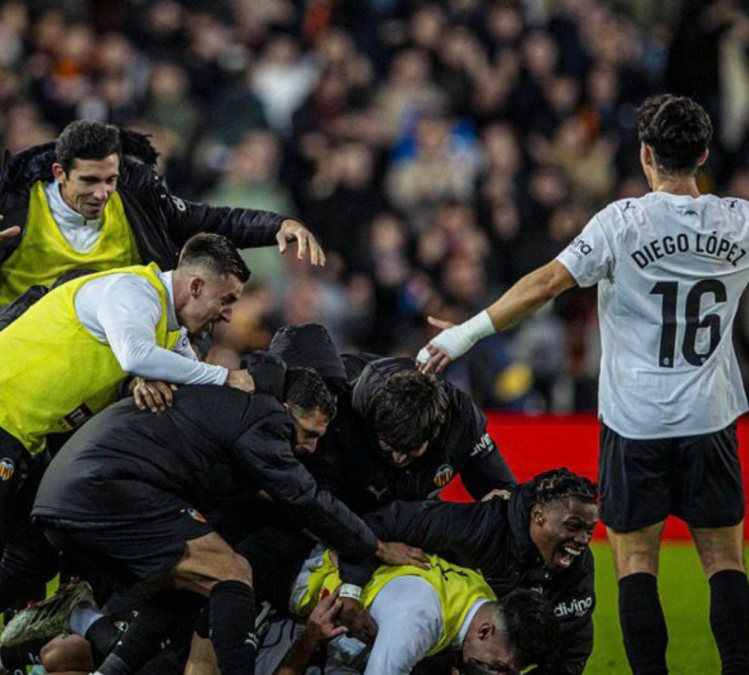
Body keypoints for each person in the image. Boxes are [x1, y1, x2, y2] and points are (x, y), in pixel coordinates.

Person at [419, 93, 749, 675]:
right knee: (724, 562)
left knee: (635, 564)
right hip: (712, 418)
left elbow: (547, 283)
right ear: (702, 154)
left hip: (635, 423)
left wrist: (463, 335)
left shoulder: (623, 223)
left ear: (646, 154)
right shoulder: (741, 222)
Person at [0, 234, 258, 675]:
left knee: (32, 559)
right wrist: (224, 377)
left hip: (21, 430)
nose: (228, 313)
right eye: (226, 298)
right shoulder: (132, 291)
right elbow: (135, 355)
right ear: (195, 286)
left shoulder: (167, 328)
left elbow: (168, 373)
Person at [24, 360, 424, 675]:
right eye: (308, 433)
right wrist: (373, 544)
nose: (310, 448)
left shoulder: (229, 404)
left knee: (186, 584)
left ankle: (84, 653)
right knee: (232, 572)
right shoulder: (266, 417)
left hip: (73, 493)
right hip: (106, 489)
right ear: (288, 411)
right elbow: (304, 497)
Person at [0, 119, 325, 381]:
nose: (103, 193)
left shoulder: (138, 198)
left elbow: (205, 219)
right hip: (18, 357)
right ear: (59, 173)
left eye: (111, 180)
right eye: (89, 182)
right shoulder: (2, 202)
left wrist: (275, 225)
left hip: (107, 360)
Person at [329, 468, 599, 675]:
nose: (583, 540)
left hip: (479, 649)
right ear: (538, 515)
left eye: (590, 530)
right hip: (418, 640)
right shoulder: (477, 526)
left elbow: (572, 649)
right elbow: (379, 523)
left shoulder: (578, 568)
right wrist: (352, 589)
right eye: (573, 526)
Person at [270, 323, 516, 514]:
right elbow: (317, 508)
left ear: (433, 434)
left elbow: (503, 492)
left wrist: (499, 508)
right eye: (388, 445)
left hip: (412, 511)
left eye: (411, 450)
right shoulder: (334, 414)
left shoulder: (460, 419)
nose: (398, 457)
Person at [290, 555, 559, 675]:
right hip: (295, 589)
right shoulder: (418, 622)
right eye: (499, 669)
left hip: (350, 634)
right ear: (485, 631)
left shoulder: (482, 598)